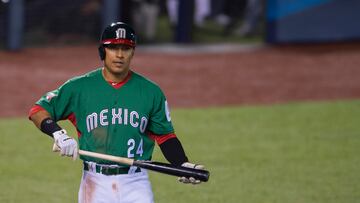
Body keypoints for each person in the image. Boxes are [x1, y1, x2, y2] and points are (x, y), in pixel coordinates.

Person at [29, 22, 205, 203]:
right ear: (102, 51)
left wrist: (182, 163)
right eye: (113, 48)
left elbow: (165, 137)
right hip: (94, 183)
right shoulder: (79, 88)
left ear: (133, 52)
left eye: (126, 48)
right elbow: (38, 110)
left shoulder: (151, 92)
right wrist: (58, 134)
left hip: (136, 183)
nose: (120, 55)